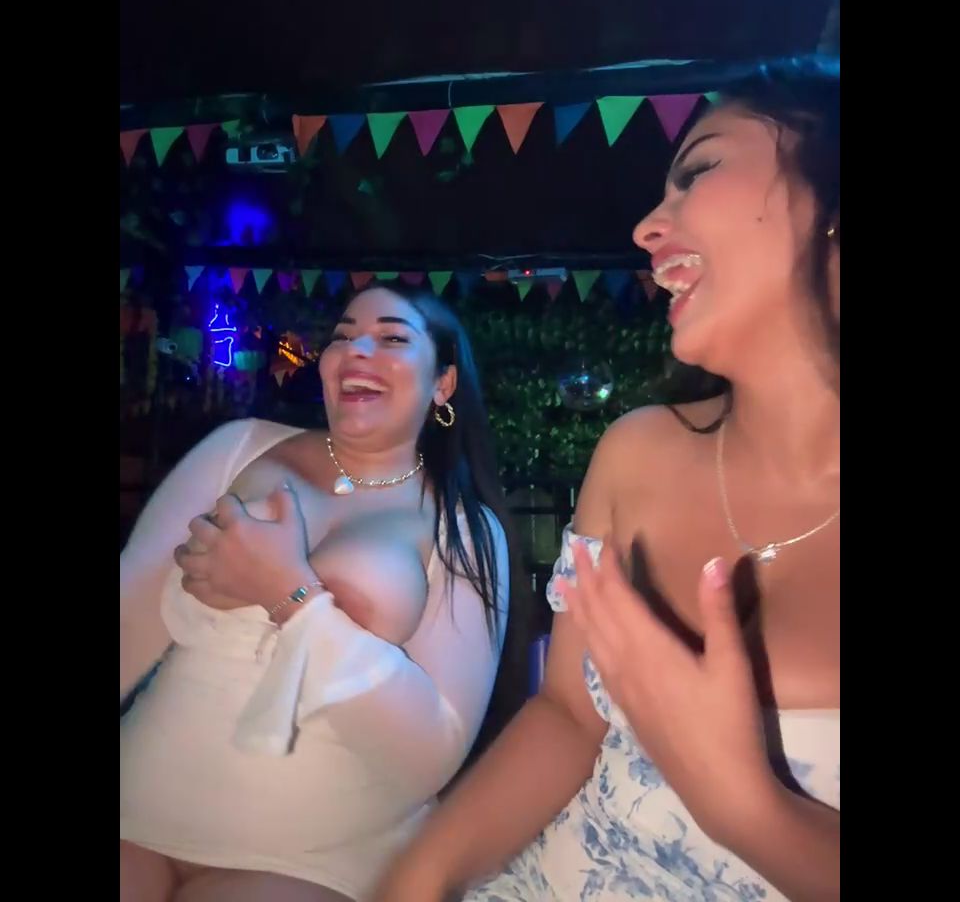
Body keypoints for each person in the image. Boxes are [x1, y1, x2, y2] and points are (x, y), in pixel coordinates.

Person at [374, 57, 840, 902]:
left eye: (699, 171)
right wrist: (419, 876)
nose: (646, 228)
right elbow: (567, 715)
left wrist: (749, 809)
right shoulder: (636, 453)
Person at [120, 284, 516, 902]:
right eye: (342, 335)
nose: (357, 349)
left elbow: (431, 753)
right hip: (136, 808)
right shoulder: (239, 447)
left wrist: (292, 596)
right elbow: (128, 620)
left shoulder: (464, 528)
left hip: (310, 858)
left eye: (391, 337)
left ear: (442, 384)